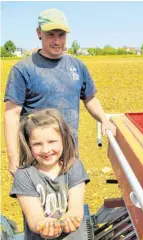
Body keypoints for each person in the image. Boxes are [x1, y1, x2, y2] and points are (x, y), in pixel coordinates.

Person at [4, 8, 115, 176]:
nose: (57, 41)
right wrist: (13, 159)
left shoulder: (77, 66)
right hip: (36, 158)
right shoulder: (23, 69)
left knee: (72, 200)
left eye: (61, 35)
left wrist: (104, 120)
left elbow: (90, 98)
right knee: (39, 201)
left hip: (69, 155)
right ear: (39, 33)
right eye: (50, 35)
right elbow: (11, 115)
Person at [10, 108, 90, 239]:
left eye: (52, 142)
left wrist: (71, 218)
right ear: (28, 145)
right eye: (37, 144)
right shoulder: (24, 175)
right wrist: (42, 224)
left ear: (64, 140)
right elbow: (34, 216)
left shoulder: (74, 166)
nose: (46, 150)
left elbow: (76, 207)